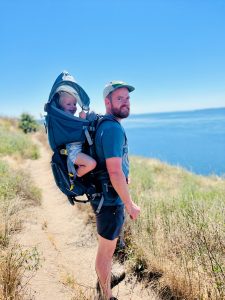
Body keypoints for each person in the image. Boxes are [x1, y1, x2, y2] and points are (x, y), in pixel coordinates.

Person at [92, 81, 141, 300]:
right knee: (106, 250)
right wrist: (130, 204)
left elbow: (113, 165)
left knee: (107, 246)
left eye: (127, 98)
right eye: (119, 98)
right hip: (110, 201)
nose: (125, 103)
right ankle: (106, 296)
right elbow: (114, 172)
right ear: (107, 102)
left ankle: (104, 282)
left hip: (105, 197)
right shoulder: (112, 128)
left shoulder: (106, 124)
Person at [58, 91, 96, 180]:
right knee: (92, 163)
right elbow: (76, 131)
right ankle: (76, 176)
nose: (73, 107)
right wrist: (82, 119)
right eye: (68, 104)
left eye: (74, 104)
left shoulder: (70, 119)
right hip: (73, 153)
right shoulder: (65, 120)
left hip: (76, 151)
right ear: (61, 107)